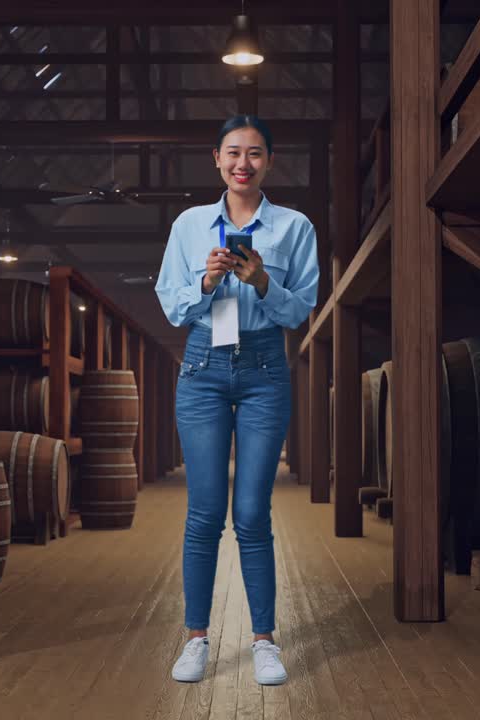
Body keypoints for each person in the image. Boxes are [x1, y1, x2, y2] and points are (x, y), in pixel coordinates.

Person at [154, 115, 319, 687]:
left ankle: (264, 641)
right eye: (232, 153)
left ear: (269, 161)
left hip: (265, 367)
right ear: (217, 160)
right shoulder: (190, 224)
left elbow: (301, 310)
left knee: (251, 513)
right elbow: (170, 303)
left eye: (254, 153)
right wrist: (204, 283)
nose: (242, 163)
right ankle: (196, 638)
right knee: (203, 513)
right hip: (203, 364)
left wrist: (263, 282)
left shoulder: (294, 226)